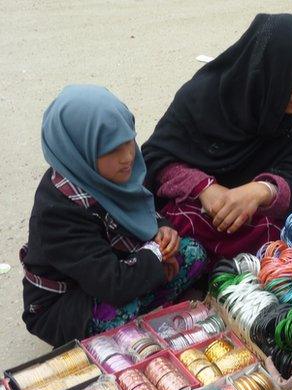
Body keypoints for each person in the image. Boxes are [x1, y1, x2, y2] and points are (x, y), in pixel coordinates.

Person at [21, 85, 208, 346]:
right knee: (118, 309)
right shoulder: (58, 212)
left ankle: (144, 309)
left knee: (192, 254)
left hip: (118, 267)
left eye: (128, 141)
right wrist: (155, 254)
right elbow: (112, 283)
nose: (128, 157)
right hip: (66, 303)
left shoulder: (112, 173)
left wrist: (161, 230)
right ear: (80, 152)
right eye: (111, 150)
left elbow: (139, 209)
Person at [142, 13, 292, 263]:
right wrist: (205, 188)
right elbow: (156, 158)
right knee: (175, 237)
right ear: (268, 73)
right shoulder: (203, 97)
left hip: (265, 225)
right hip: (200, 216)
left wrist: (261, 192)